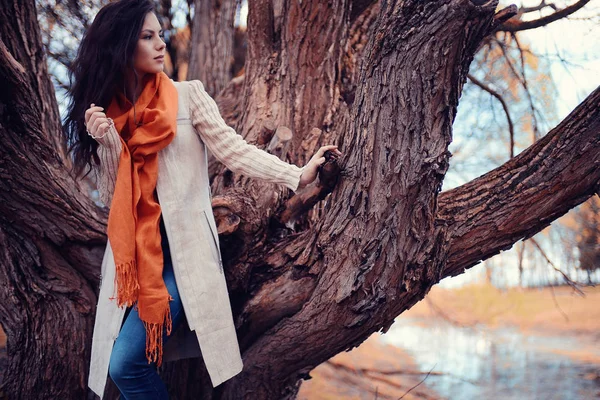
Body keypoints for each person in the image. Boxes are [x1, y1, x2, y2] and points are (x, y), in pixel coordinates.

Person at [62, 0, 342, 398]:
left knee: (126, 363)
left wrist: (297, 174)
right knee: (123, 365)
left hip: (184, 260)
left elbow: (233, 149)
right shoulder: (109, 116)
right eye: (147, 37)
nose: (162, 44)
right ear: (121, 45)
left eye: (160, 34)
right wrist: (108, 144)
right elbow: (114, 199)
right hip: (137, 263)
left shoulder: (187, 96)